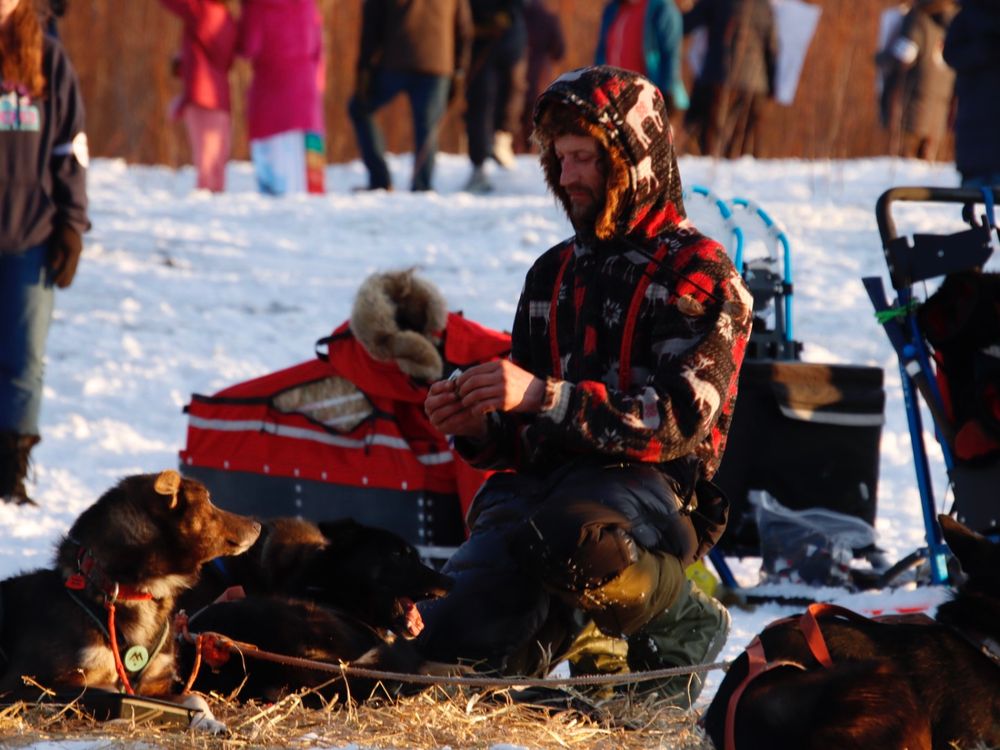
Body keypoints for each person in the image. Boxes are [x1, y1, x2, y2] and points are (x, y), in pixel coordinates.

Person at [419, 65, 753, 706]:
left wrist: (545, 396)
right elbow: (523, 439)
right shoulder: (553, 273)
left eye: (585, 160)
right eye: (560, 159)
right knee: (445, 628)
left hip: (656, 494)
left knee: (570, 538)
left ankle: (685, 623)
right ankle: (560, 631)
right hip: (544, 495)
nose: (567, 177)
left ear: (634, 163)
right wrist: (478, 426)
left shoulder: (700, 272)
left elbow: (675, 423)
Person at [0, 0, 89, 505]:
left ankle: (9, 477)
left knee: (23, 362)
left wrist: (72, 225)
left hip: (30, 235)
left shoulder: (48, 58)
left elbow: (69, 150)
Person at [348, 0, 473, 193]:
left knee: (360, 108)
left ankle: (380, 180)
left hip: (396, 62)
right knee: (427, 127)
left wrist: (364, 69)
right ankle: (422, 186)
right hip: (437, 64)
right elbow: (464, 27)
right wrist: (459, 70)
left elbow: (372, 24)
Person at [238, 0, 325, 195]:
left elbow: (250, 46)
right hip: (307, 95)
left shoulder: (257, 5)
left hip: (272, 94)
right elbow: (318, 43)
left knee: (278, 194)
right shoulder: (307, 3)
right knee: (311, 183)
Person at [159, 0, 237, 192]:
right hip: (221, 98)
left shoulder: (202, 10)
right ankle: (214, 204)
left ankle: (206, 209)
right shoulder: (228, 20)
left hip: (201, 95)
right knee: (216, 161)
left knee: (206, 162)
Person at [683, 0, 777, 159]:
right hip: (755, 85)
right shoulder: (764, 5)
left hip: (718, 79)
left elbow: (685, 24)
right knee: (744, 151)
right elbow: (772, 49)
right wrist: (772, 86)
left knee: (707, 146)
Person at [877, 0, 957, 161]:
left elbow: (906, 54)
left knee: (904, 175)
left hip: (911, 111)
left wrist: (881, 59)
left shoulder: (918, 17)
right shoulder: (955, 19)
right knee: (923, 176)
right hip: (938, 115)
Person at [462, 0, 528, 194]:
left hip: (512, 38)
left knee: (514, 90)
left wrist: (508, 13)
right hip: (481, 40)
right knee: (481, 101)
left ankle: (503, 136)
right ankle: (478, 165)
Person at [594, 0, 689, 132]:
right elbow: (602, 51)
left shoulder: (661, 8)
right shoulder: (612, 9)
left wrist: (666, 92)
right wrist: (596, 83)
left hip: (648, 97)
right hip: (614, 96)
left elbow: (671, 54)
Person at [942, 0, 1000, 188]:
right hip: (975, 116)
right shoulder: (968, 17)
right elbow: (951, 53)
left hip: (974, 115)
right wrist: (984, 51)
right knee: (976, 193)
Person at [517, 0, 564, 153]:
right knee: (536, 122)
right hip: (538, 80)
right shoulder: (548, 17)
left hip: (515, 79)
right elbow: (559, 51)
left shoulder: (515, 14)